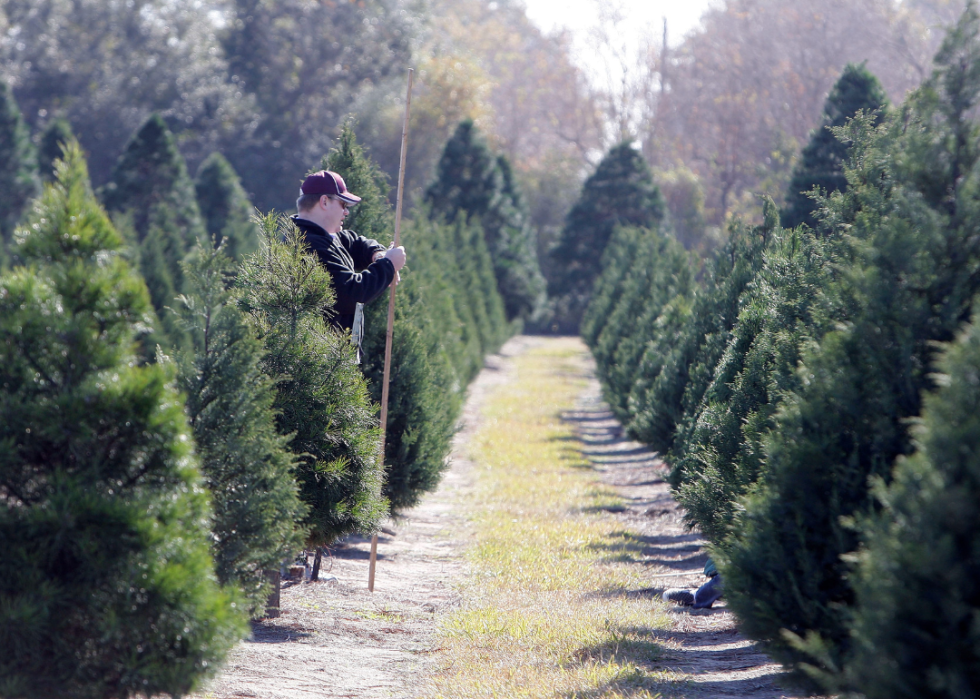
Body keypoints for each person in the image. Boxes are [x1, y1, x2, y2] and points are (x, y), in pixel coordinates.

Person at [292, 170, 406, 361]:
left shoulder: (322, 236)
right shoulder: (309, 244)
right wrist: (388, 265)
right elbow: (350, 293)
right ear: (324, 202)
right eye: (343, 204)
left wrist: (378, 255)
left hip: (333, 361)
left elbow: (355, 242)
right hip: (322, 365)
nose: (346, 211)